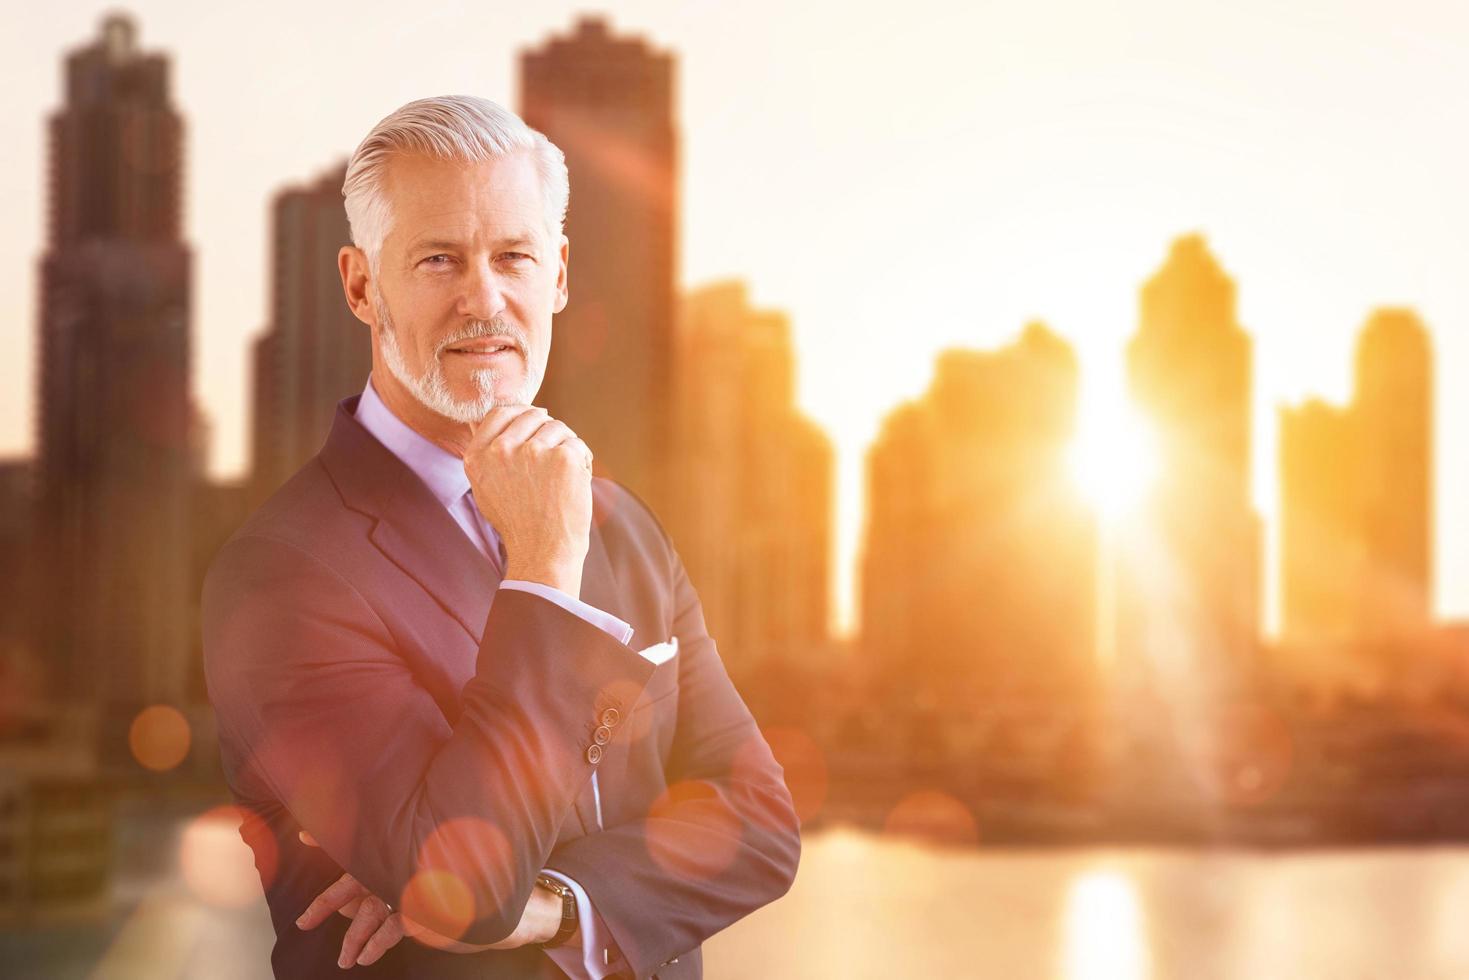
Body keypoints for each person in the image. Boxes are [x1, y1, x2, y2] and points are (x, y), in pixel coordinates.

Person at [202, 95, 800, 980]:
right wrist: (546, 578)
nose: (484, 299)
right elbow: (466, 884)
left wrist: (555, 905)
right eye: (438, 259)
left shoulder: (623, 525)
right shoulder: (284, 573)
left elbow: (758, 825)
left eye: (513, 257)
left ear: (556, 274)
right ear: (362, 285)